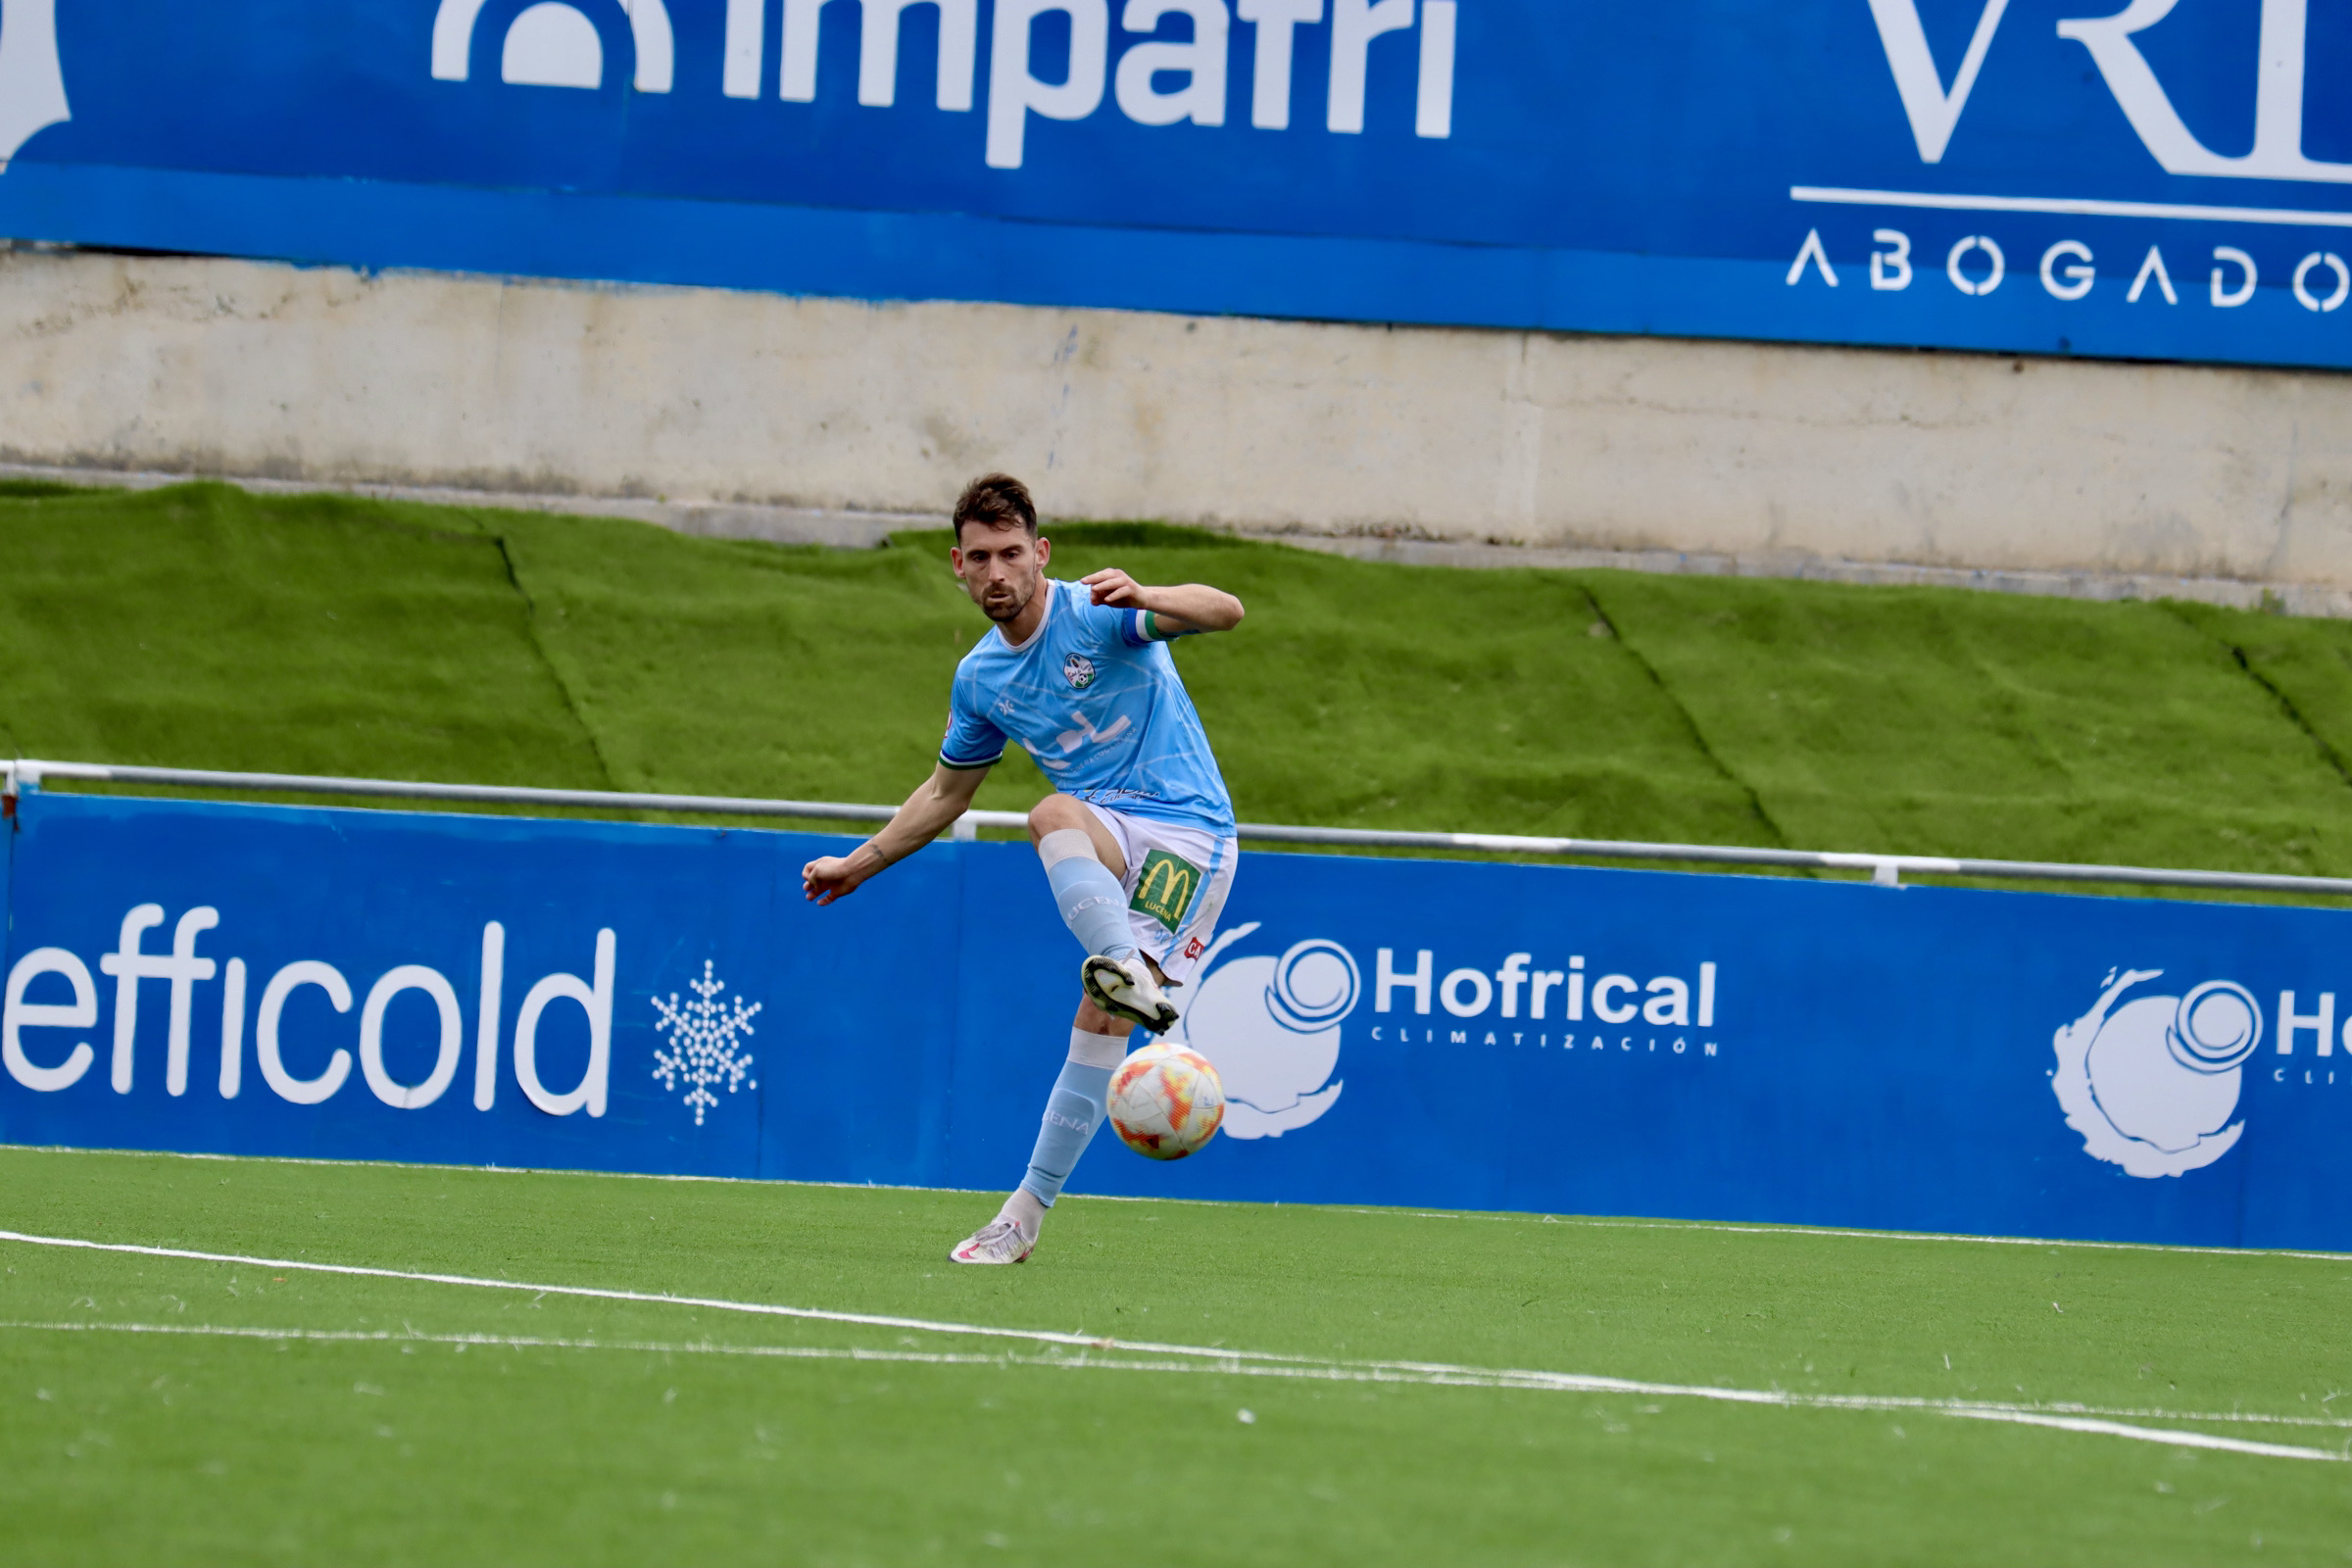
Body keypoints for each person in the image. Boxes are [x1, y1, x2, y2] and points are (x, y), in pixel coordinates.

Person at [801, 473, 1246, 1265]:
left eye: (1012, 553)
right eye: (981, 557)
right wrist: (859, 864)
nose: (998, 571)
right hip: (1106, 827)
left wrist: (1149, 592)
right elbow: (945, 793)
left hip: (1188, 835)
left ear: (1041, 554)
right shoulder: (981, 679)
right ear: (958, 566)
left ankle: (1121, 975)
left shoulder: (1100, 613)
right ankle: (1021, 1223)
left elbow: (1226, 612)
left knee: (1056, 841)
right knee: (1059, 839)